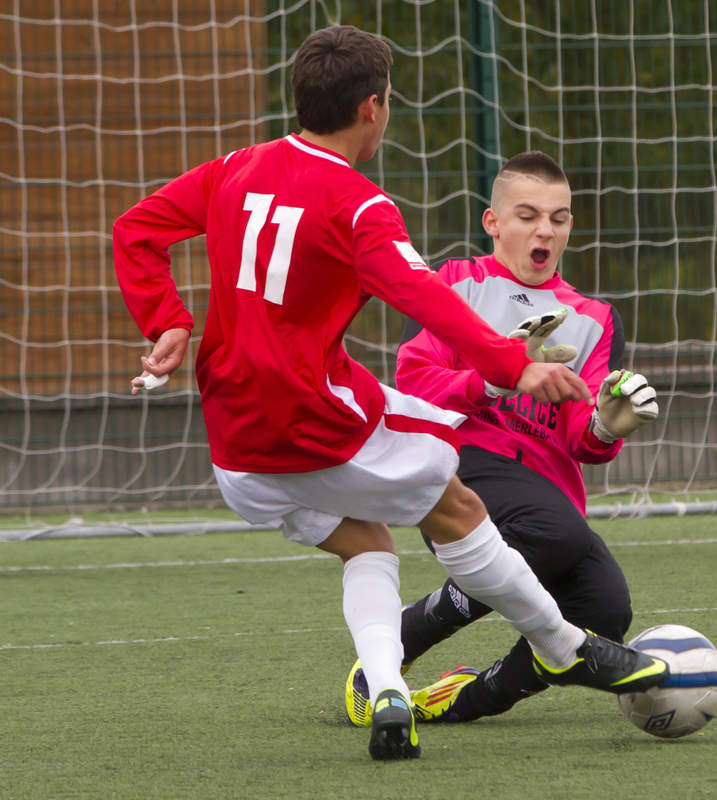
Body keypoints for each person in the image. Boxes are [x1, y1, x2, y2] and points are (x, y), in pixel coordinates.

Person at [111, 25, 667, 762]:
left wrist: (170, 321)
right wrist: (515, 363)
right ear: (373, 108)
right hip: (311, 417)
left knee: (367, 542)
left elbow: (135, 229)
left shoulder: (234, 168)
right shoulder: (361, 206)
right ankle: (562, 646)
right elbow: (426, 299)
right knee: (457, 498)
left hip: (235, 445)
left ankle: (388, 691)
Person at [343, 150, 660, 726]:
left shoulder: (593, 317)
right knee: (554, 533)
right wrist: (492, 379)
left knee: (605, 610)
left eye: (559, 219)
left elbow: (581, 439)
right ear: (493, 222)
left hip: (543, 491)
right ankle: (401, 640)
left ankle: (463, 701)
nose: (545, 230)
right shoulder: (453, 283)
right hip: (461, 465)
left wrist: (606, 426)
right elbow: (415, 387)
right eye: (528, 215)